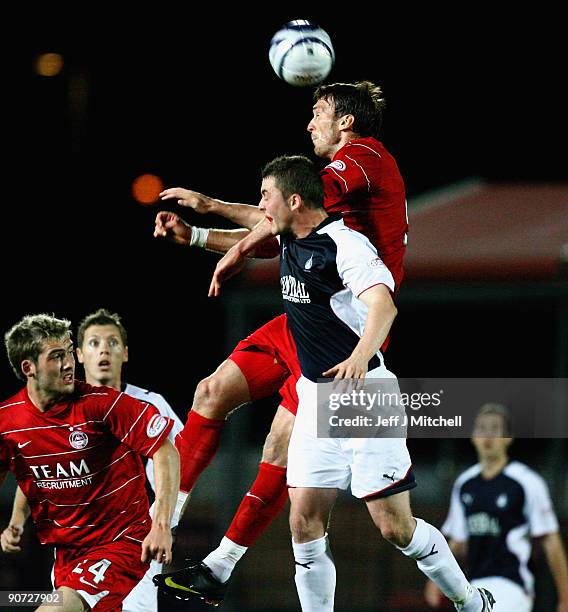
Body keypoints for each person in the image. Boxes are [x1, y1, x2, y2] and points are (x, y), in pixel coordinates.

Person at [157, 155, 495, 610]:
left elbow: (383, 305)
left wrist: (359, 355)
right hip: (317, 400)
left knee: (395, 528)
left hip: (364, 397)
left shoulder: (345, 244)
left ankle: (472, 602)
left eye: (266, 197)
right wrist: (205, 214)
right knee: (304, 524)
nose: (261, 207)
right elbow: (255, 223)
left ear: (294, 201)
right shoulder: (291, 237)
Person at [151, 81, 409, 604]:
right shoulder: (320, 196)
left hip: (342, 333)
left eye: (318, 113)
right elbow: (280, 223)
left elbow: (277, 221)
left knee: (281, 448)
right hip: (303, 317)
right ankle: (160, 521)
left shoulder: (364, 158)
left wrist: (236, 249)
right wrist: (203, 224)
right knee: (211, 391)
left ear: (346, 123)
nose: (310, 123)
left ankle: (220, 566)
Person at [2, 308, 184, 612]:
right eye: (57, 356)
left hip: (125, 544)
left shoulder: (109, 404)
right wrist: (16, 521)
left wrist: (164, 524)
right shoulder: (10, 422)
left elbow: (168, 452)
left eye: (69, 352)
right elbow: (30, 469)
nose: (68, 363)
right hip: (67, 555)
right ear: (28, 367)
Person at [424, 403, 568, 612]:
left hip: (513, 584)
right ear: (473, 436)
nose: (488, 435)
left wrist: (565, 597)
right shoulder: (465, 483)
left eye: (495, 429)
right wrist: (435, 579)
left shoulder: (527, 482)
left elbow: (550, 540)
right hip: (474, 584)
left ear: (508, 437)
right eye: (482, 429)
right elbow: (459, 541)